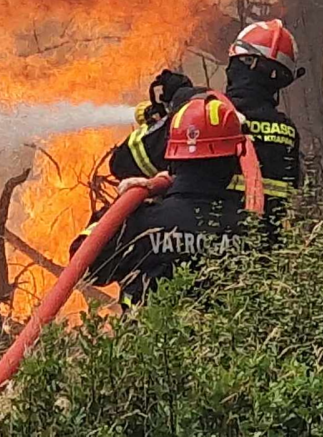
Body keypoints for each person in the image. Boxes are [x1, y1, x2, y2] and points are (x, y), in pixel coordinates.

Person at [72, 93, 264, 305]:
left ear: (173, 158)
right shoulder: (250, 230)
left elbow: (83, 268)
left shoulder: (142, 222)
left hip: (146, 327)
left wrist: (121, 206)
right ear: (232, 162)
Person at [109, 19, 304, 213]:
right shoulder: (289, 133)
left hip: (201, 226)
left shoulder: (211, 119)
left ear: (245, 63)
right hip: (265, 232)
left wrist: (181, 112)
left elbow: (123, 162)